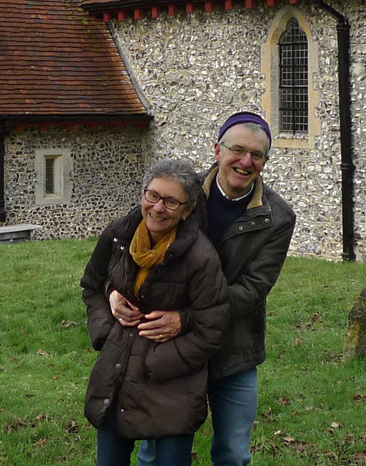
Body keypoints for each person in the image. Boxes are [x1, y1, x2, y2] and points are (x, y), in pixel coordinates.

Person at [119, 112, 297, 466]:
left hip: (234, 348)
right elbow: (126, 242)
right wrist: (114, 289)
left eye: (257, 155)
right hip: (169, 349)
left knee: (232, 453)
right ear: (218, 150)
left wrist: (185, 318)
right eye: (238, 150)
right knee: (156, 451)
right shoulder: (179, 192)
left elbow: (252, 289)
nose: (246, 162)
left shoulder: (278, 217)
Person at [81, 159, 230, 466]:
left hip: (173, 388)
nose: (158, 208)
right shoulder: (118, 236)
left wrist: (156, 361)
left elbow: (212, 328)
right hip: (117, 377)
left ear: (187, 210)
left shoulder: (201, 258)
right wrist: (107, 323)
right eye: (153, 195)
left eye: (171, 201)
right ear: (142, 195)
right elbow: (92, 286)